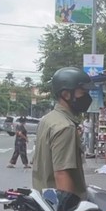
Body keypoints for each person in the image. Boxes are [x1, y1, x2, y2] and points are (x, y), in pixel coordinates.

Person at [32, 67, 94, 199]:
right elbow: (62, 174)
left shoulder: (48, 119)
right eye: (82, 92)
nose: (87, 97)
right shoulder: (65, 127)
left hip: (45, 199)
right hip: (60, 206)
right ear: (66, 94)